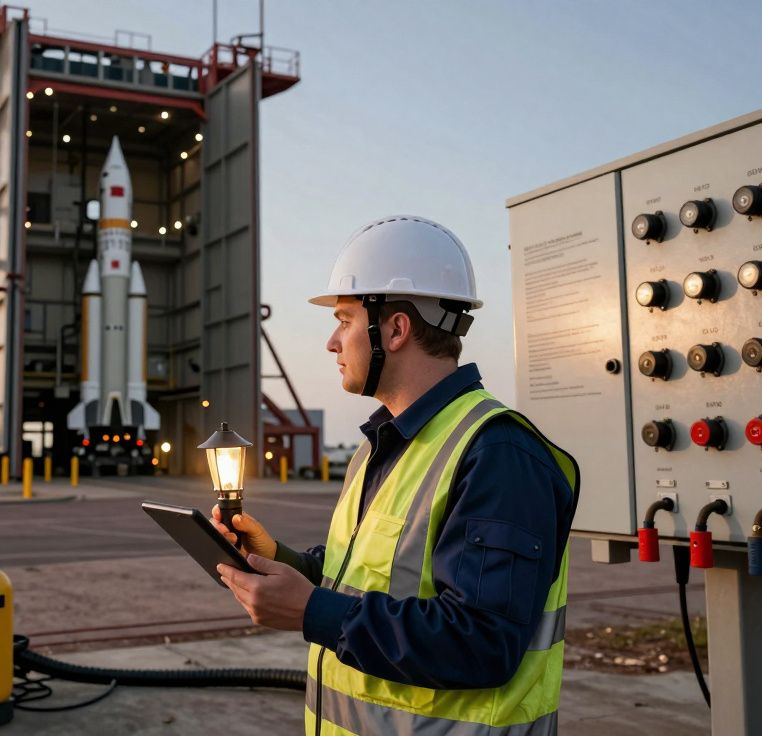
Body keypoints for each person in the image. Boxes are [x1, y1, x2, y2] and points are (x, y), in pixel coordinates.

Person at [212, 215, 579, 735]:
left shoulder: (498, 454)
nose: (332, 343)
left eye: (344, 319)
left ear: (396, 328)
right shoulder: (383, 445)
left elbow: (482, 643)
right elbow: (369, 580)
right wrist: (281, 560)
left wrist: (311, 611)